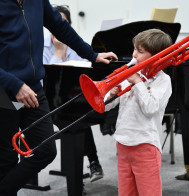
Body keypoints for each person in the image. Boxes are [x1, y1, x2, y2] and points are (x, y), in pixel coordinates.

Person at [0, 0, 117, 195]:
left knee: (46, 151)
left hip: (33, 89)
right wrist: (15, 85)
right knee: (6, 161)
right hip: (4, 93)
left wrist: (92, 55)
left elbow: (61, 28)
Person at [105, 29, 172, 196]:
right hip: (123, 142)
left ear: (157, 56)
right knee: (126, 193)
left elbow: (150, 109)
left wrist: (137, 82)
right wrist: (110, 95)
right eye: (134, 49)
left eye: (140, 51)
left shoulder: (164, 81)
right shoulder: (132, 73)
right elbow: (105, 107)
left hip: (146, 145)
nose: (134, 55)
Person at [43, 5, 103, 182]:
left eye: (64, 23)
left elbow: (82, 72)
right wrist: (59, 52)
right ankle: (92, 164)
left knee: (77, 117)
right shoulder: (42, 45)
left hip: (65, 98)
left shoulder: (77, 45)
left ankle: (85, 171)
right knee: (74, 119)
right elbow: (47, 81)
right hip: (43, 98)